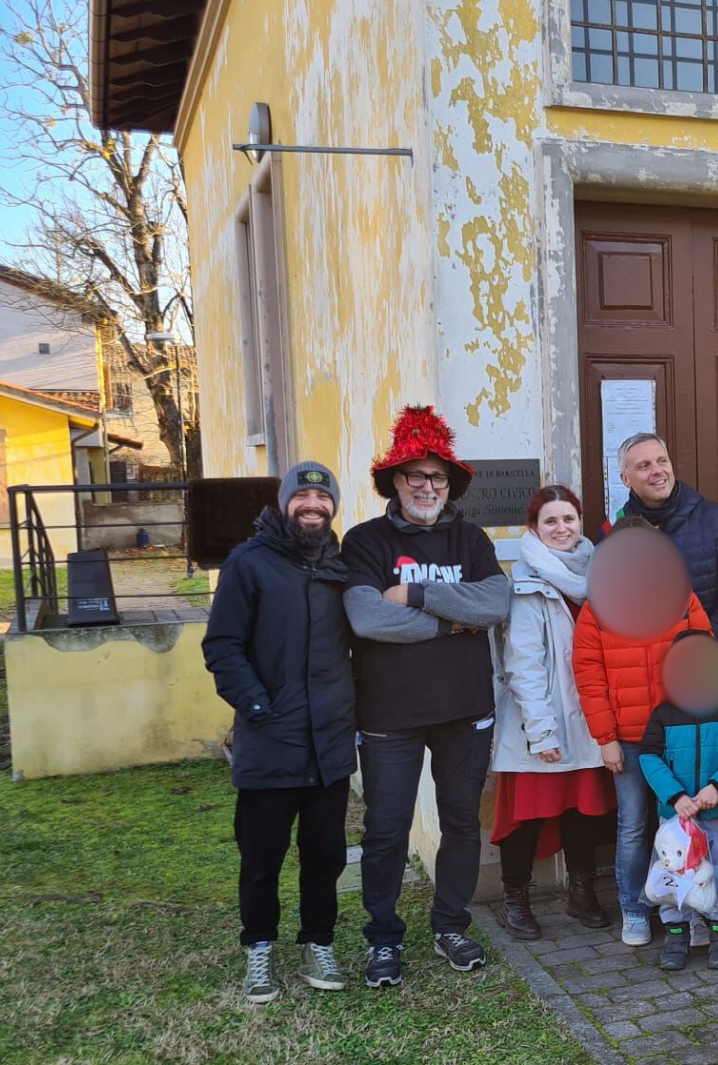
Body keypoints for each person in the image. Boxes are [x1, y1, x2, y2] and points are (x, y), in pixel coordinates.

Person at [342, 406, 510, 985]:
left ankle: (451, 925)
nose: (427, 486)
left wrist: (413, 596)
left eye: (437, 476)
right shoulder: (365, 542)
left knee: (461, 823)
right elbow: (366, 618)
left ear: (449, 484)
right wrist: (452, 621)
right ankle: (384, 938)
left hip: (466, 713)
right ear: (395, 480)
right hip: (389, 716)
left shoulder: (471, 539)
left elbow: (495, 604)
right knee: (386, 829)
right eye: (415, 475)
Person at [202, 462, 357, 1003]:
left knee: (326, 854)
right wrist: (256, 704)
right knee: (261, 856)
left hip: (330, 740)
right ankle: (260, 947)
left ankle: (318, 942)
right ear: (285, 502)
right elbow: (222, 646)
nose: (313, 505)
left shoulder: (339, 565)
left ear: (332, 506)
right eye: (303, 497)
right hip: (270, 738)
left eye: (323, 498)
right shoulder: (249, 563)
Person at [573, 517, 714, 948]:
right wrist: (606, 738)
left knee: (681, 824)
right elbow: (589, 676)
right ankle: (635, 909)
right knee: (633, 826)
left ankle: (689, 909)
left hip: (678, 736)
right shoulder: (597, 608)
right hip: (630, 740)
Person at [490, 484, 616, 940]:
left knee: (583, 812)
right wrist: (541, 732)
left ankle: (581, 892)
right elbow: (523, 666)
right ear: (534, 528)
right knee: (525, 816)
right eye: (551, 521)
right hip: (539, 721)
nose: (562, 528)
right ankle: (515, 899)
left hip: (588, 718)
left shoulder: (599, 574)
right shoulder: (525, 584)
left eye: (569, 519)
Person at [636, 631, 718, 970]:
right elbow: (649, 757)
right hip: (677, 816)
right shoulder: (664, 714)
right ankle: (676, 933)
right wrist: (675, 795)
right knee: (674, 873)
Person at [612, 434, 718, 651]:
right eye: (644, 466)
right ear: (625, 479)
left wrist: (708, 639)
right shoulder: (615, 533)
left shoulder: (714, 519)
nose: (657, 471)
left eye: (662, 461)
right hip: (642, 661)